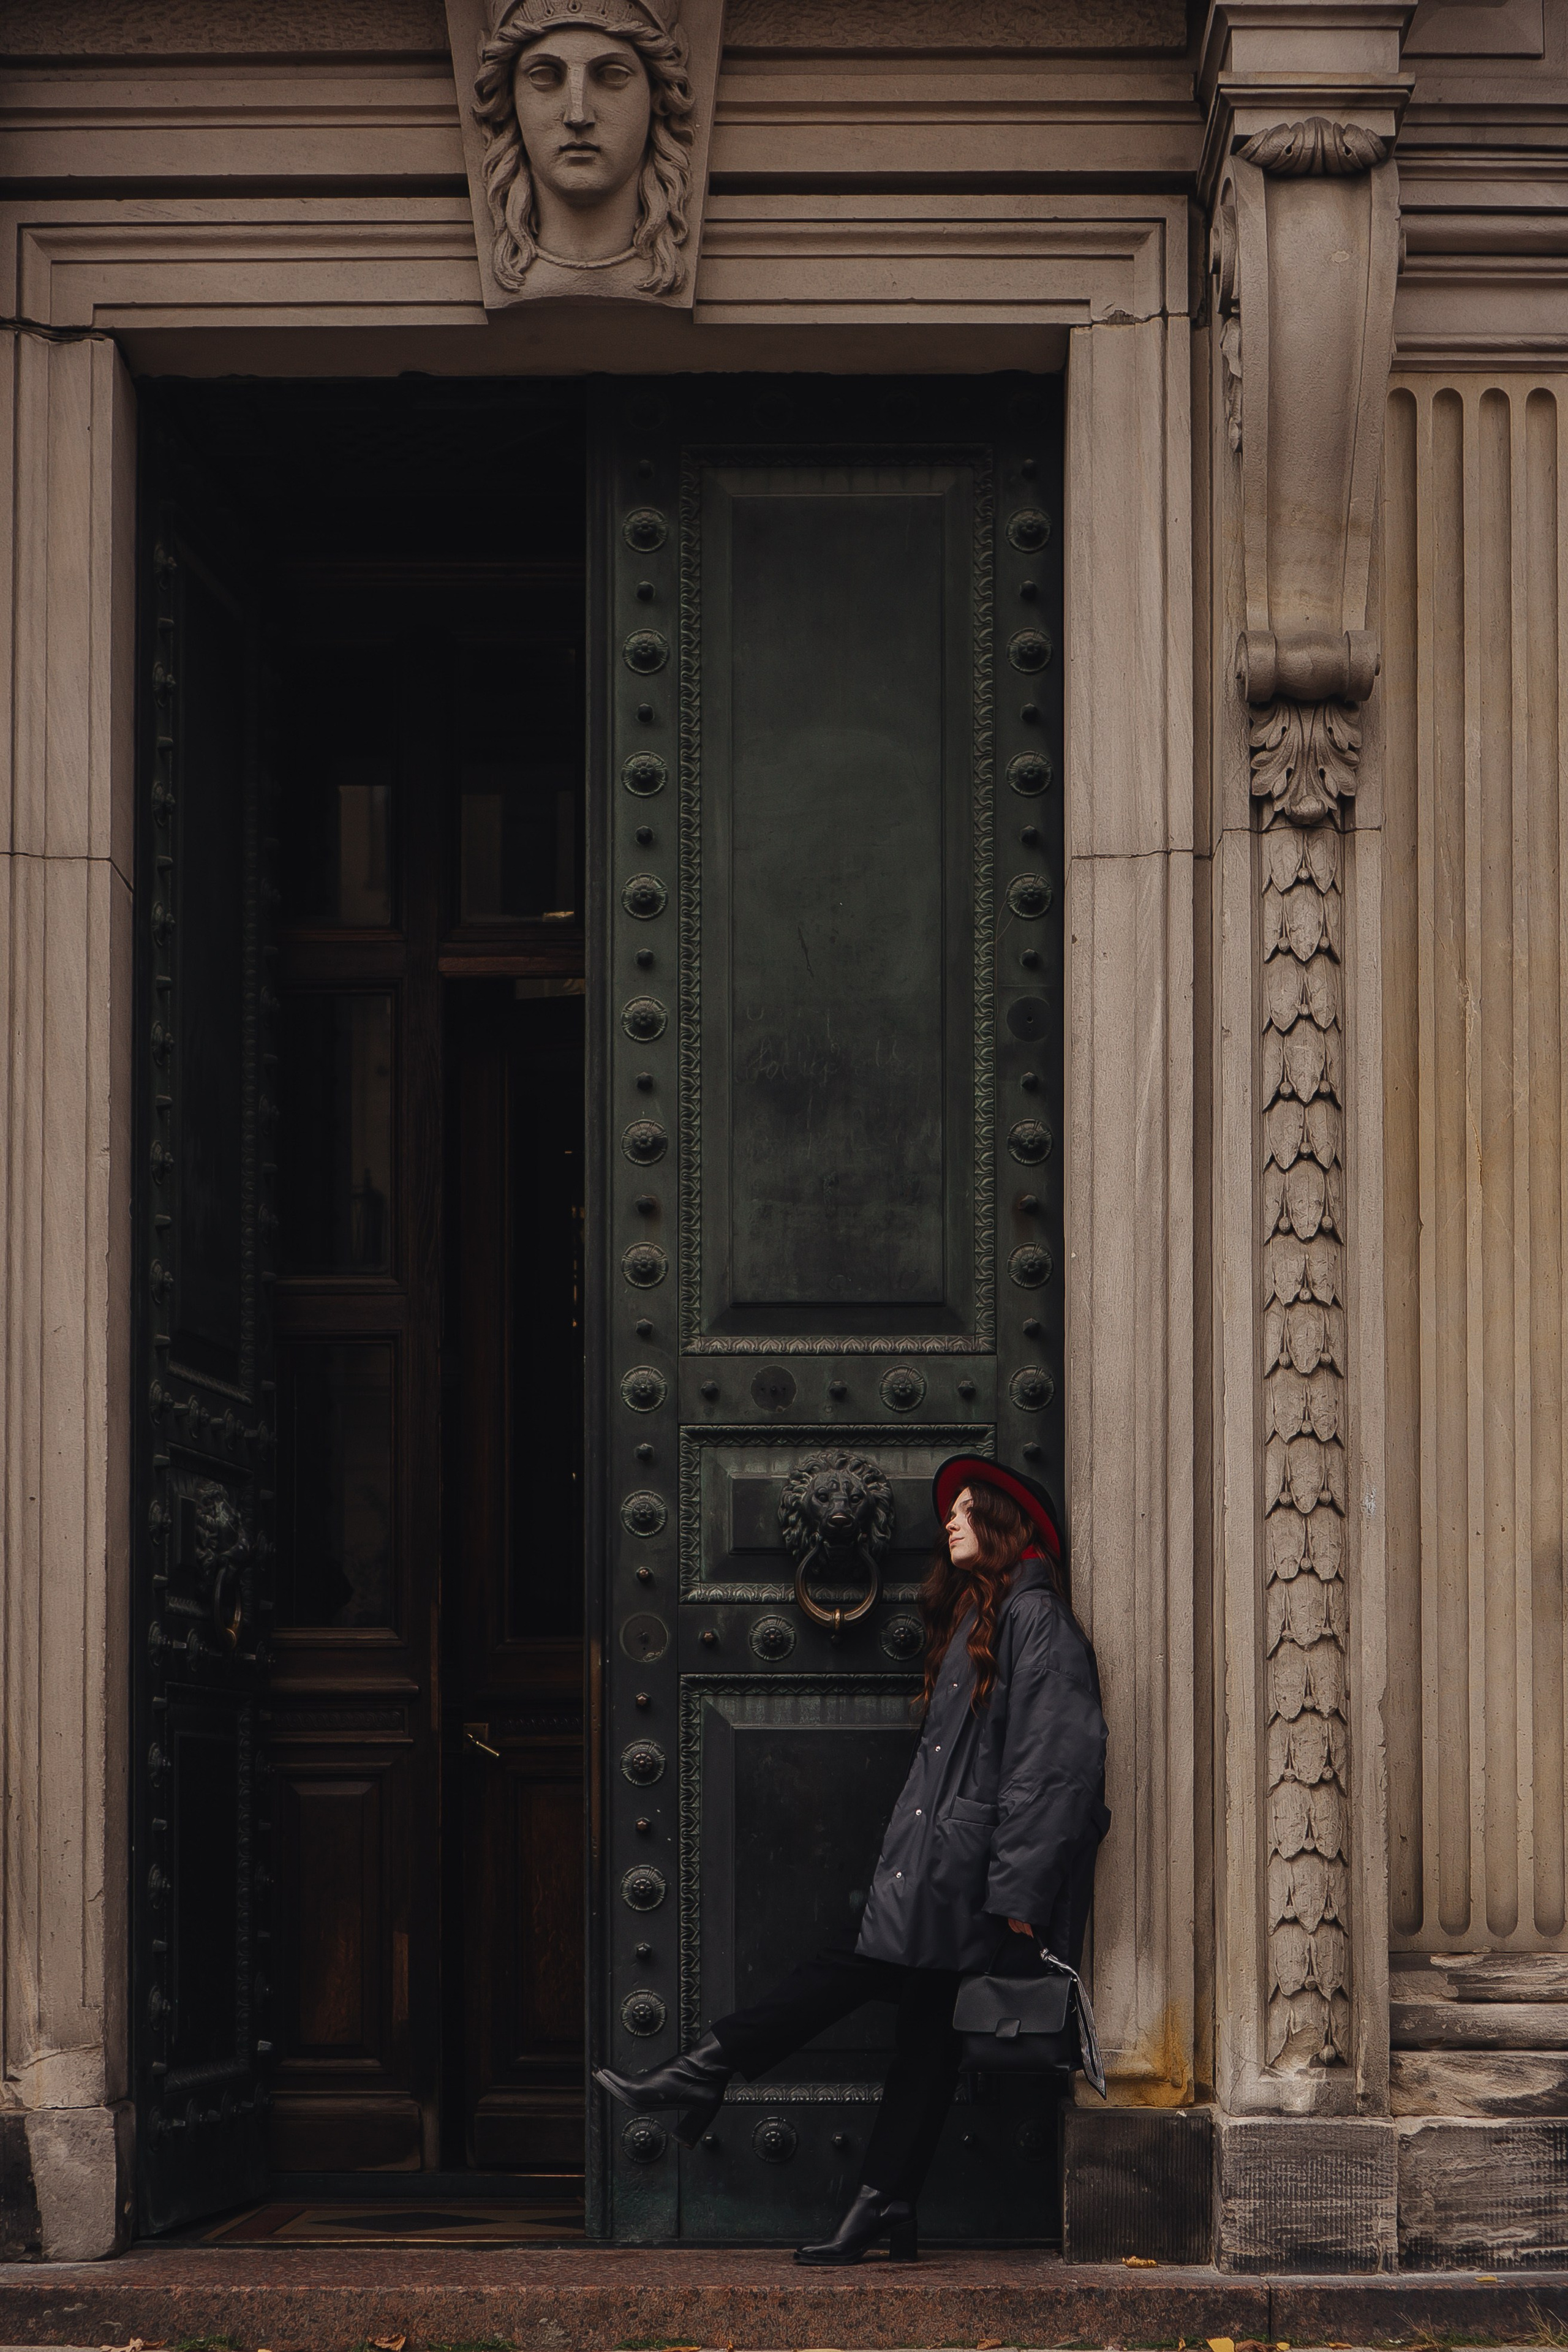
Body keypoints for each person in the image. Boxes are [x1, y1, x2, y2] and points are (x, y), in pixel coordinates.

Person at [595, 1453, 1110, 2264]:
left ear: (1006, 1526)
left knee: (850, 1969)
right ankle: (884, 2202)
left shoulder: (1035, 1621)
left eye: (966, 1508)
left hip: (973, 1876)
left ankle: (709, 2067)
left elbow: (1056, 1766)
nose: (949, 1520)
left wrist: (1022, 1888)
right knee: (927, 2037)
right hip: (951, 1864)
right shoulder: (984, 1616)